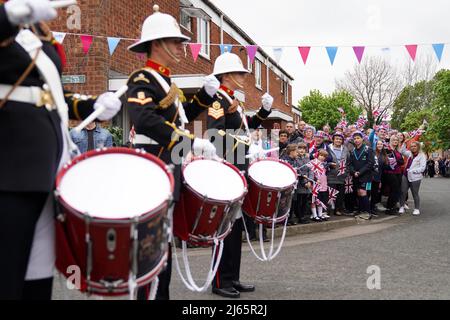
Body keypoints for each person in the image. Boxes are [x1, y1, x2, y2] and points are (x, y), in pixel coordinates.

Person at [0, 0, 122, 300]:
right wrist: (8, 15)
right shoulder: (14, 16)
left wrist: (93, 105)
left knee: (37, 279)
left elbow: (55, 95)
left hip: (47, 169)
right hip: (9, 168)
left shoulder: (38, 30)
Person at [126, 5, 220, 300]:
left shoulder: (167, 82)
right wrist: (190, 142)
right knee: (150, 248)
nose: (182, 46)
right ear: (156, 44)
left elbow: (180, 118)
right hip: (153, 171)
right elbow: (145, 120)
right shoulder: (142, 80)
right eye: (175, 41)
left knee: (161, 248)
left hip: (168, 171)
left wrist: (204, 97)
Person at [207, 52, 273, 299]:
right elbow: (215, 135)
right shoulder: (217, 101)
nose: (243, 76)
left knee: (236, 227)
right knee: (225, 227)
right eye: (238, 73)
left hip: (238, 168)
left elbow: (247, 126)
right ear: (225, 75)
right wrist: (245, 144)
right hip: (227, 168)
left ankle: (232, 277)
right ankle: (219, 280)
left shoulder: (233, 100)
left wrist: (264, 112)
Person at [348, 131, 375, 220]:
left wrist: (360, 172)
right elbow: (350, 164)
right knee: (359, 193)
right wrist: (353, 172)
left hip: (366, 176)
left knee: (363, 193)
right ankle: (361, 211)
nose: (356, 140)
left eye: (358, 138)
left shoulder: (368, 149)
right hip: (356, 176)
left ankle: (368, 212)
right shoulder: (352, 151)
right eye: (354, 138)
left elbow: (370, 163)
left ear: (362, 139)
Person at [399, 141, 426, 215]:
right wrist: (404, 143)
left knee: (415, 193)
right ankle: (401, 207)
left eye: (415, 146)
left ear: (418, 147)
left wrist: (413, 171)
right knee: (403, 192)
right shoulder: (410, 153)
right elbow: (402, 151)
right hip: (405, 175)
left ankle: (416, 209)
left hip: (415, 177)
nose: (413, 147)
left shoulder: (422, 155)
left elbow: (422, 168)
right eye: (411, 146)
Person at [326, 132, 350, 216]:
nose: (338, 140)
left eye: (340, 139)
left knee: (340, 194)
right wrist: (329, 165)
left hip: (342, 176)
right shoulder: (328, 148)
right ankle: (328, 210)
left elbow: (349, 161)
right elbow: (324, 160)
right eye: (336, 139)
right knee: (330, 193)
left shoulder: (345, 149)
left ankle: (337, 209)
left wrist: (346, 172)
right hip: (331, 175)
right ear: (333, 140)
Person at [384, 135, 405, 215]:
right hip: (390, 173)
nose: (395, 141)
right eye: (394, 140)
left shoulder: (397, 151)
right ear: (391, 141)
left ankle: (392, 206)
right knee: (394, 190)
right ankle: (389, 208)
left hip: (398, 172)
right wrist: (398, 161)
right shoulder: (387, 150)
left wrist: (398, 161)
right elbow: (388, 162)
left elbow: (401, 162)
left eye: (397, 140)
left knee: (397, 190)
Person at [281, 144, 301, 226]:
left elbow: (298, 171)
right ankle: (284, 219)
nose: (298, 153)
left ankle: (290, 218)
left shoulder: (295, 160)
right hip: (287, 185)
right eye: (296, 152)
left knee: (292, 202)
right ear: (292, 152)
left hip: (294, 185)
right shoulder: (284, 160)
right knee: (285, 203)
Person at [296, 142, 313, 224]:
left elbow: (311, 170)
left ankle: (303, 216)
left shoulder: (307, 159)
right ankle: (300, 217)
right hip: (300, 183)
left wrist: (309, 181)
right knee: (299, 201)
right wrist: (304, 182)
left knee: (305, 201)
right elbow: (298, 171)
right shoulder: (296, 159)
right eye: (300, 148)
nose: (302, 150)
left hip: (307, 182)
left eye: (303, 148)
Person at [310, 149, 330, 221]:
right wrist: (315, 180)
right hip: (315, 185)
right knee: (314, 200)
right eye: (321, 155)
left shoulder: (323, 164)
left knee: (320, 200)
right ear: (317, 155)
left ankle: (320, 214)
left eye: (324, 156)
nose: (322, 157)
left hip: (323, 185)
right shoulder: (312, 163)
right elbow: (311, 174)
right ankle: (314, 215)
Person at [371, 140, 389, 214]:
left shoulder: (384, 155)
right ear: (375, 145)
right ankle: (367, 208)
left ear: (383, 145)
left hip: (378, 177)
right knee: (369, 192)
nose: (379, 145)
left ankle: (372, 207)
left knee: (375, 193)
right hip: (370, 177)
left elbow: (384, 168)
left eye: (381, 144)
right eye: (378, 144)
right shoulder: (372, 153)